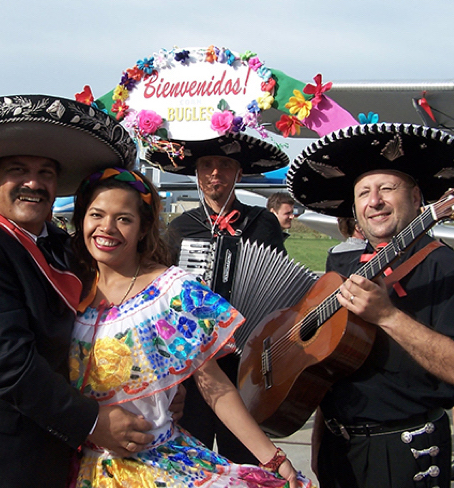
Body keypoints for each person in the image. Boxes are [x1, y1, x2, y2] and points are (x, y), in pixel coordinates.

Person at [68, 167, 307, 487]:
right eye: (96, 214)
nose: (107, 228)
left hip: (152, 468)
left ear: (143, 229)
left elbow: (215, 386)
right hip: (73, 465)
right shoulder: (66, 286)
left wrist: (272, 456)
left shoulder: (173, 292)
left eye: (124, 218)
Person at [0, 94, 152, 487]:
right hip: (7, 458)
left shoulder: (65, 246)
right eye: (18, 170)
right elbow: (9, 366)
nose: (34, 183)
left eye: (46, 172)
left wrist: (152, 391)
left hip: (64, 451)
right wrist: (94, 420)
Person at [288, 123, 454, 487]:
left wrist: (388, 316)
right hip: (338, 448)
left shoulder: (445, 266)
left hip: (404, 448)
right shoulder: (343, 268)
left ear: (416, 198)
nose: (374, 201)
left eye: (387, 189)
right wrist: (320, 437)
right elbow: (330, 365)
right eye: (363, 192)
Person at [149, 131, 289, 464]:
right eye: (207, 165)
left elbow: (279, 282)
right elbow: (166, 296)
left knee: (245, 459)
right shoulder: (181, 227)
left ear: (239, 173)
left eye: (224, 165)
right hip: (196, 367)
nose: (215, 173)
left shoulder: (262, 223)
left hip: (246, 364)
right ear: (196, 173)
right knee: (195, 460)